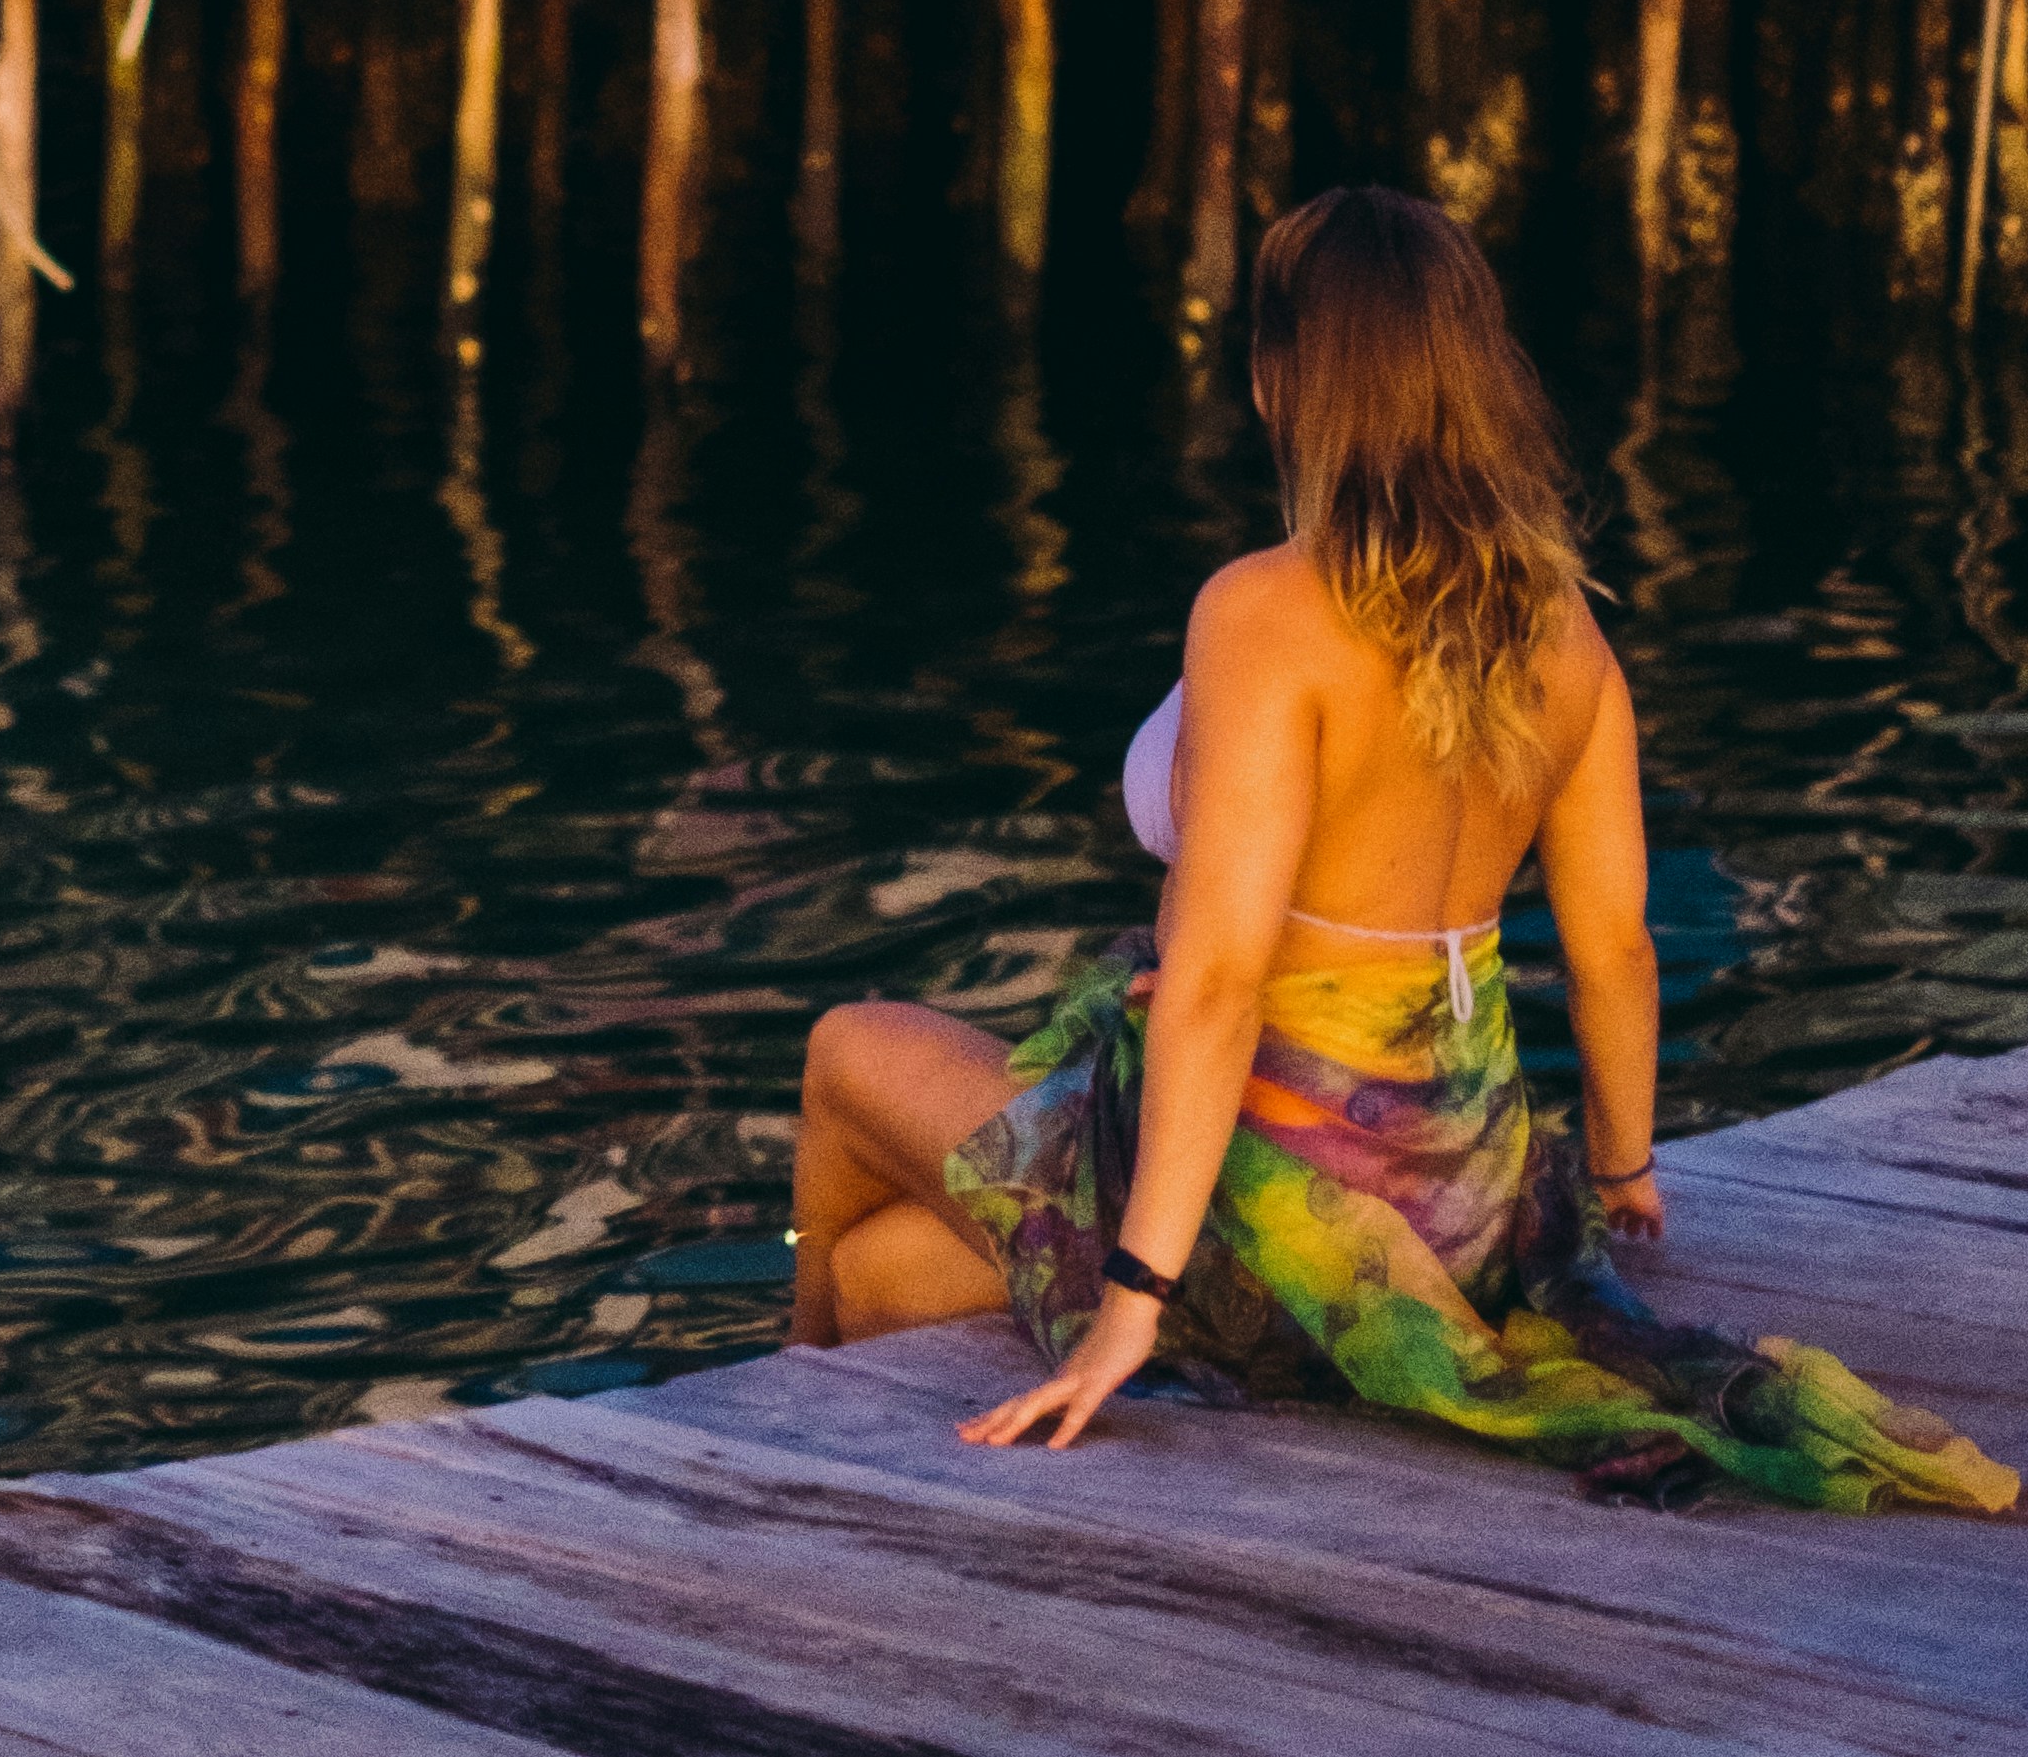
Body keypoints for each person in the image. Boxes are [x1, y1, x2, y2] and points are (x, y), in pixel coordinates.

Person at [786, 186, 2016, 1515]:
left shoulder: (1263, 612)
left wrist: (1132, 1298)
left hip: (1264, 1218)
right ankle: (814, 1375)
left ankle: (785, 1382)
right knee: (882, 1271)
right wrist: (1621, 1168)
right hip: (1458, 1214)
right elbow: (1611, 944)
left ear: (1277, 381)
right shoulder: (1563, 633)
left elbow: (1215, 985)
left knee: (847, 1048)